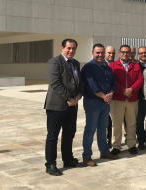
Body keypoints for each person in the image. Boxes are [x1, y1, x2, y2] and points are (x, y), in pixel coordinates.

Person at [44, 39, 84, 176]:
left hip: (72, 106)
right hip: (56, 106)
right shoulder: (54, 62)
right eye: (68, 48)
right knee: (53, 136)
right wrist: (69, 98)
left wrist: (78, 97)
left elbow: (79, 83)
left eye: (73, 48)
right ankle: (50, 164)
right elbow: (55, 83)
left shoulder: (76, 63)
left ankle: (68, 159)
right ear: (62, 47)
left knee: (69, 134)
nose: (71, 51)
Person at [81, 44, 118, 167]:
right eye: (98, 52)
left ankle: (104, 152)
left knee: (103, 128)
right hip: (93, 102)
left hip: (105, 102)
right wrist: (104, 96)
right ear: (92, 53)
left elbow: (112, 82)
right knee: (90, 129)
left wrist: (111, 93)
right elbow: (91, 85)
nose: (100, 55)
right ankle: (86, 156)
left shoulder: (107, 67)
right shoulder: (88, 67)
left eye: (102, 53)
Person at [109, 45, 144, 155]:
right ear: (119, 53)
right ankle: (116, 146)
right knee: (116, 124)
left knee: (131, 123)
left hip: (132, 99)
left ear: (130, 54)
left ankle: (132, 145)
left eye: (127, 52)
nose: (125, 54)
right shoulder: (112, 66)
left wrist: (131, 89)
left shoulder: (136, 66)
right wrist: (123, 91)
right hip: (117, 99)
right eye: (123, 52)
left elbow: (140, 79)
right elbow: (112, 81)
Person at [136, 46, 146, 150]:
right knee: (139, 120)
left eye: (145, 53)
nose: (143, 55)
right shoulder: (135, 66)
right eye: (141, 53)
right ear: (138, 54)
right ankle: (141, 140)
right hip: (139, 98)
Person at [104, 45, 115, 147]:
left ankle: (112, 140)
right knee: (106, 120)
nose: (111, 55)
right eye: (109, 53)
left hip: (115, 97)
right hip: (103, 98)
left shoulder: (116, 64)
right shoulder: (100, 65)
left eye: (113, 53)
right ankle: (107, 141)